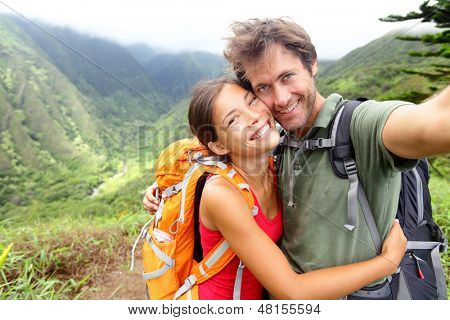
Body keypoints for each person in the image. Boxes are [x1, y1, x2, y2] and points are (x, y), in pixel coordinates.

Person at [143, 18, 450, 298]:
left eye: (287, 76)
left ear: (312, 64)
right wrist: (169, 190)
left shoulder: (359, 125)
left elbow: (431, 123)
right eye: (263, 87)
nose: (279, 99)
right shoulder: (275, 149)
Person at [180, 77, 406, 299]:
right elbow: (292, 291)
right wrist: (386, 263)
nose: (254, 117)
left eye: (251, 101)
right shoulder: (222, 195)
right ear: (219, 145)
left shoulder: (276, 165)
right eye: (233, 120)